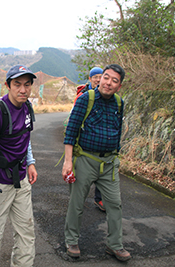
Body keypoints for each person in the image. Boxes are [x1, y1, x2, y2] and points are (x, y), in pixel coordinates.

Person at [62, 64, 131, 261]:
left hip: (109, 163)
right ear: (100, 79)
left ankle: (115, 245)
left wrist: (115, 155)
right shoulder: (86, 99)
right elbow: (71, 130)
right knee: (77, 203)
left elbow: (117, 130)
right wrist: (68, 162)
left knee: (114, 204)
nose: (108, 83)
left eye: (114, 80)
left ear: (119, 86)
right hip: (85, 159)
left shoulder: (119, 103)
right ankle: (72, 240)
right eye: (106, 77)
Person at [0, 64, 38, 266]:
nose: (23, 89)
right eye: (17, 84)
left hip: (20, 180)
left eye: (27, 85)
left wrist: (30, 162)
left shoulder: (27, 106)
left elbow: (25, 137)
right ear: (7, 86)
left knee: (26, 233)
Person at [74, 67, 106, 212]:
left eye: (101, 76)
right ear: (90, 78)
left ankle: (100, 199)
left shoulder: (106, 95)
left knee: (101, 170)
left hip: (100, 140)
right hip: (84, 141)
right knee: (83, 172)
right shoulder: (83, 96)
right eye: (95, 77)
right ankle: (78, 199)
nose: (98, 80)